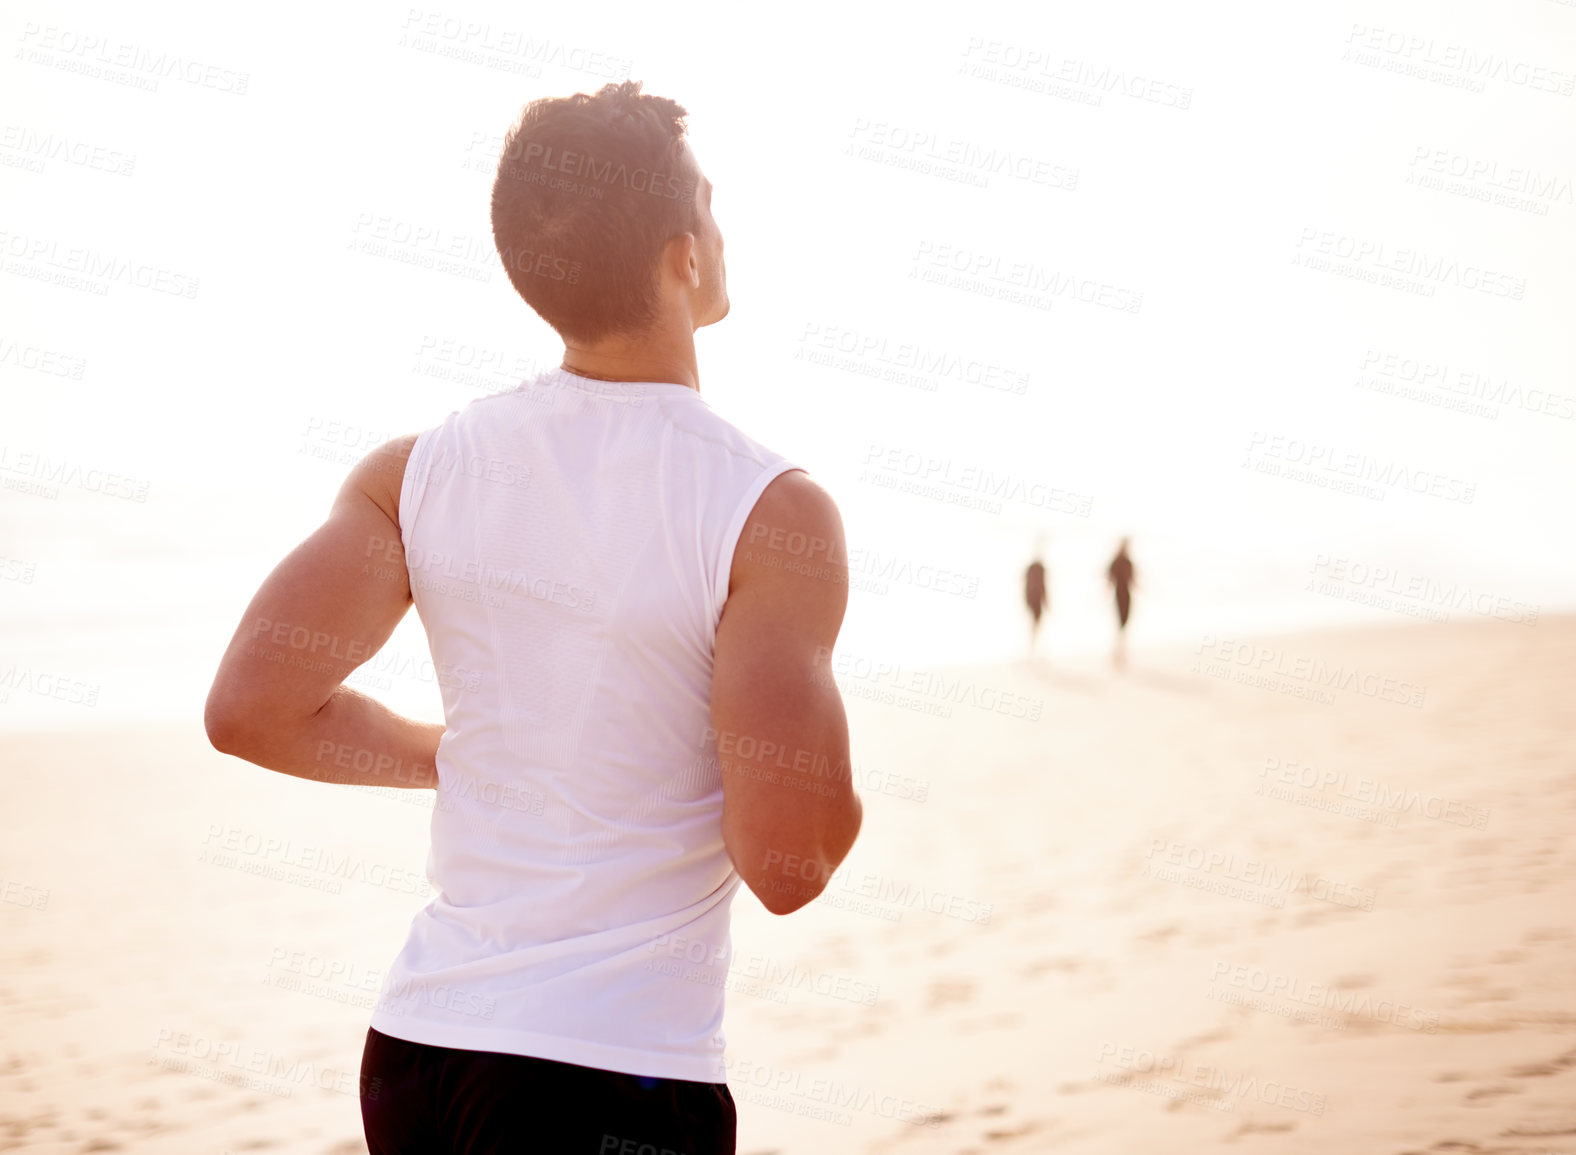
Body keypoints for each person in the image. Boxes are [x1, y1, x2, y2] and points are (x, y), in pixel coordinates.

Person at [203, 81, 863, 1155]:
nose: (720, 231)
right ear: (684, 257)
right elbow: (790, 865)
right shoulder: (768, 511)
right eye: (709, 205)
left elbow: (250, 711)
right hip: (604, 1075)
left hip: (417, 1052)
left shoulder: (416, 473)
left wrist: (458, 756)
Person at [1107, 537, 1135, 668]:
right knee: (1121, 623)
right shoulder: (1118, 562)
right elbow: (1110, 580)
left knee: (1124, 623)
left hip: (1125, 595)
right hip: (1120, 595)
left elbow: (1132, 580)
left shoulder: (1127, 562)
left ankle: (1120, 651)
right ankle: (1119, 651)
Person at [1024, 554, 1048, 658]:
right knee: (1035, 626)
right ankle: (1032, 651)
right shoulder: (1037, 569)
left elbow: (1041, 586)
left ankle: (1033, 651)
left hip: (1033, 601)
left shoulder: (1033, 568)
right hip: (1034, 601)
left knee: (1035, 626)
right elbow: (1042, 586)